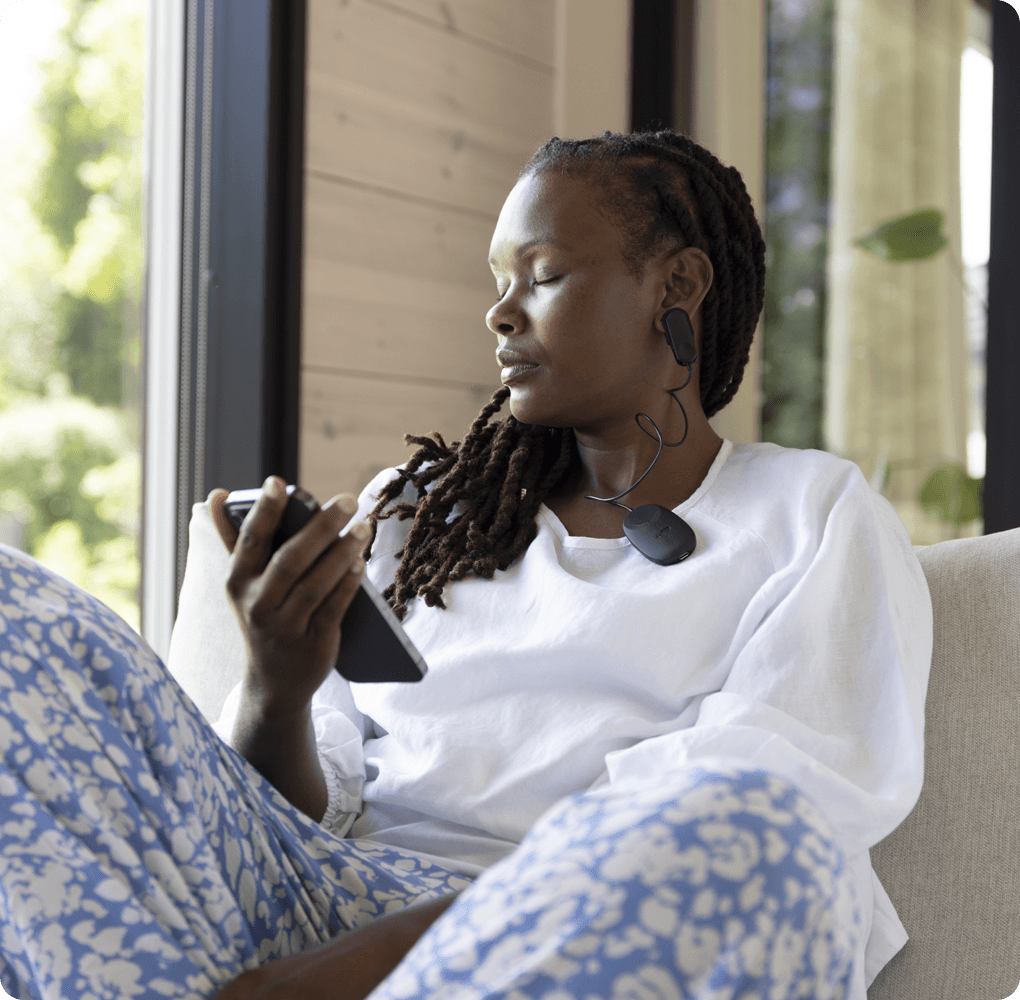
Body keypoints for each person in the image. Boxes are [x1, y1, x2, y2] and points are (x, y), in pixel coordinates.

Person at [0, 130, 931, 1000]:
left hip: (583, 944)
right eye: (498, 280)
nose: (500, 311)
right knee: (16, 614)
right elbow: (284, 821)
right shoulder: (421, 512)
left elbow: (762, 805)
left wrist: (312, 985)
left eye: (543, 275)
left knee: (755, 825)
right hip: (327, 907)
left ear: (676, 285)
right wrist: (277, 689)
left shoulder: (811, 511)